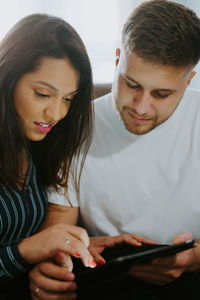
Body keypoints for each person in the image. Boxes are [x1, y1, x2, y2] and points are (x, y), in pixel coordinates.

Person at [30, 0, 200, 299]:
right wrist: (51, 267)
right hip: (106, 279)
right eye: (131, 84)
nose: (141, 107)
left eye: (162, 94)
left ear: (189, 80)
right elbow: (58, 223)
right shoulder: (78, 124)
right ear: (118, 58)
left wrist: (195, 259)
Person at [0, 13, 100, 300]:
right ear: (8, 78)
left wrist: (78, 245)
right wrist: (25, 251)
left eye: (68, 98)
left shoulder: (38, 143)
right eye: (43, 94)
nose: (56, 114)